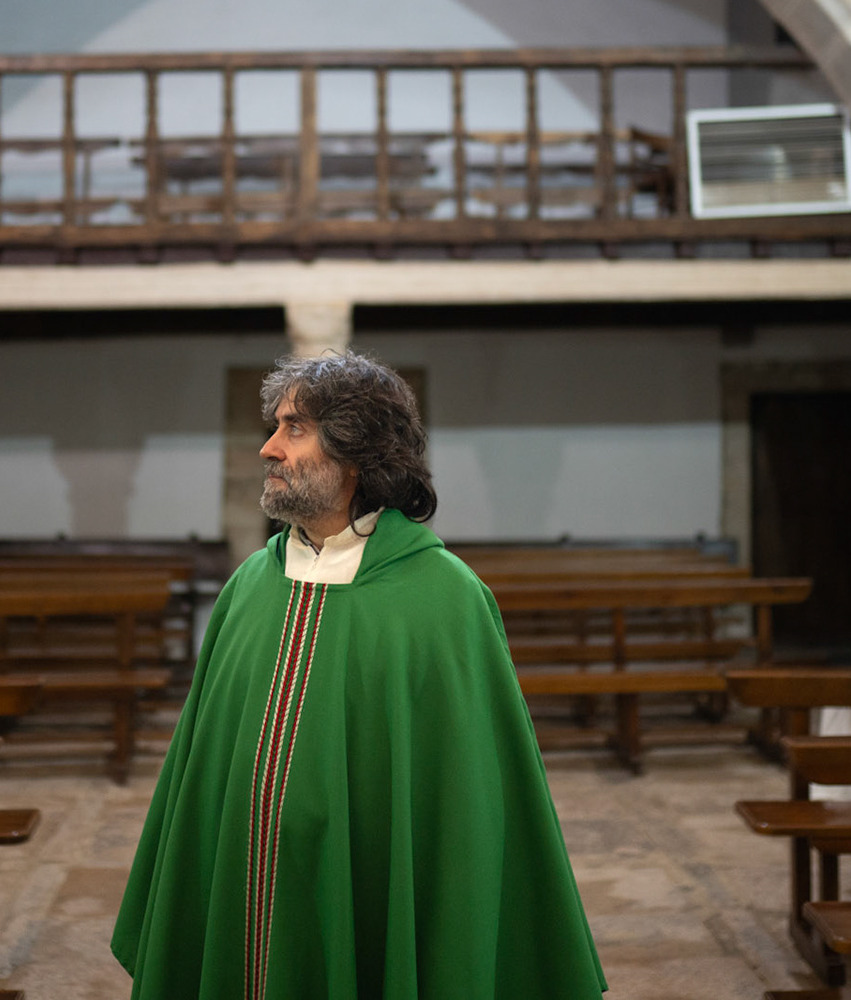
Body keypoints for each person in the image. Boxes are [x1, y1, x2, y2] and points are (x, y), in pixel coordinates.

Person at [113, 352, 606, 999]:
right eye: (275, 426)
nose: (269, 448)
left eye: (293, 428)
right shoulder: (250, 587)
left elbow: (466, 807)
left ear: (357, 452)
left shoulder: (445, 600)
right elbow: (200, 776)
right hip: (241, 896)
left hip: (371, 888)